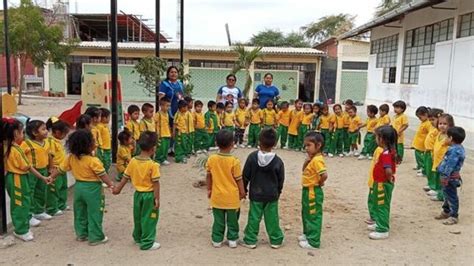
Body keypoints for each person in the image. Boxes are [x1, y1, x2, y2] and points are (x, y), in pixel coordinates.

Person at [52, 129, 115, 246]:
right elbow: (103, 175)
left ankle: (81, 234)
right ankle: (96, 236)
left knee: (80, 211)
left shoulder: (71, 157)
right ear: (88, 145)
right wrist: (111, 184)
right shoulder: (93, 161)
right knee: (95, 212)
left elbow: (60, 169)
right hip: (93, 189)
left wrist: (51, 177)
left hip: (79, 187)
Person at [3, 118, 50, 241]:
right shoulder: (13, 150)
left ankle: (25, 222)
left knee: (25, 200)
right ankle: (20, 230)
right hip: (16, 177)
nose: (23, 135)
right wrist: (42, 177)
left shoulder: (12, 147)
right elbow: (28, 167)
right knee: (20, 203)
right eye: (21, 132)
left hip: (19, 177)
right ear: (15, 134)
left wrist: (42, 177)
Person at [113, 131, 162, 250]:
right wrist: (157, 198)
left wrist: (118, 188)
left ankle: (138, 237)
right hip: (149, 195)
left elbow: (125, 176)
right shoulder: (153, 165)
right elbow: (156, 184)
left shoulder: (133, 161)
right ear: (153, 148)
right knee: (150, 218)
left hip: (137, 195)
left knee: (138, 216)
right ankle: (147, 242)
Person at [241, 128, 285, 249]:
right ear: (275, 143)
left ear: (259, 141)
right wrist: (278, 191)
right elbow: (281, 179)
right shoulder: (278, 161)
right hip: (272, 195)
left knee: (254, 217)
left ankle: (250, 240)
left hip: (256, 193)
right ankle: (276, 240)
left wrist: (243, 189)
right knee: (272, 218)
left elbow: (245, 175)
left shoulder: (252, 157)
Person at [206, 130, 246, 248]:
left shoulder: (212, 159)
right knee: (233, 220)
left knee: (218, 220)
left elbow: (209, 176)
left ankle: (217, 239)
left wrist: (209, 189)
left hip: (217, 196)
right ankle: (232, 238)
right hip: (232, 198)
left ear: (216, 143)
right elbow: (239, 179)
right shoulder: (234, 161)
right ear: (232, 144)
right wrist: (242, 192)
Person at [298, 132, 328, 249]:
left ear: (318, 145)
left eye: (308, 145)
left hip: (313, 191)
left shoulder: (318, 160)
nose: (306, 148)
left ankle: (314, 241)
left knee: (313, 215)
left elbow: (324, 175)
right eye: (305, 145)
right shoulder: (312, 158)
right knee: (306, 213)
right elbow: (304, 170)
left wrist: (320, 182)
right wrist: (307, 160)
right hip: (307, 189)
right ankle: (307, 233)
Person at [367, 125, 397, 240]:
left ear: (382, 139)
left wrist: (388, 178)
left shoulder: (385, 154)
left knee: (381, 205)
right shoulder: (389, 151)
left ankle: (382, 229)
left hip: (382, 183)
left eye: (377, 137)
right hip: (379, 182)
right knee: (378, 204)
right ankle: (379, 222)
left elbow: (388, 169)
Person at [21, 120, 53, 221]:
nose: (46, 131)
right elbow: (20, 156)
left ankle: (38, 211)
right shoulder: (27, 144)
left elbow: (49, 155)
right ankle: (29, 215)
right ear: (35, 133)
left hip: (43, 170)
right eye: (43, 129)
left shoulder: (46, 142)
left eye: (46, 129)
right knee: (30, 192)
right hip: (31, 172)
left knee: (41, 191)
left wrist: (50, 168)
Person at [434, 126, 465, 225]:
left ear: (451, 138)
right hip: (449, 177)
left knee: (451, 196)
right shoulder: (457, 148)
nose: (445, 139)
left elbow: (449, 166)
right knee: (447, 195)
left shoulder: (454, 151)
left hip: (449, 178)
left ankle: (453, 216)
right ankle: (446, 211)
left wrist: (445, 176)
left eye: (446, 137)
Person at [46, 117, 71, 215]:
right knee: (54, 188)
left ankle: (61, 204)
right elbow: (50, 155)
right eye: (64, 133)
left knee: (63, 186)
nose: (65, 136)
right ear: (57, 132)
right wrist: (51, 168)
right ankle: (52, 208)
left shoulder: (57, 141)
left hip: (62, 168)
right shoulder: (51, 141)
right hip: (56, 168)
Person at [430, 114, 455, 201]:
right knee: (437, 177)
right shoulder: (439, 134)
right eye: (440, 123)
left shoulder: (449, 137)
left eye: (445, 124)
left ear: (450, 125)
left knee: (442, 180)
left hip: (443, 162)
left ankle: (441, 195)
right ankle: (437, 190)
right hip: (437, 160)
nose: (442, 126)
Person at [423, 108, 443, 193]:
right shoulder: (433, 129)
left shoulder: (440, 132)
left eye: (433, 120)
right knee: (428, 170)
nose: (431, 122)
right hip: (428, 151)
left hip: (433, 154)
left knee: (434, 171)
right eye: (430, 120)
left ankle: (435, 187)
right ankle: (431, 184)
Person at [411, 106, 430, 177]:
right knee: (417, 156)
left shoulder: (428, 123)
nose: (419, 119)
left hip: (422, 145)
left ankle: (424, 169)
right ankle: (420, 166)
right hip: (418, 143)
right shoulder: (423, 122)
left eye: (420, 117)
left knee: (422, 158)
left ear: (425, 114)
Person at [155, 98, 172, 165]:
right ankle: (158, 159)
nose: (168, 107)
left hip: (167, 133)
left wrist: (170, 131)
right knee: (160, 148)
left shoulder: (167, 114)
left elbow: (167, 123)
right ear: (161, 106)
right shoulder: (158, 114)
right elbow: (155, 123)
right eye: (167, 106)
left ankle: (164, 159)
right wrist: (156, 133)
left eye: (169, 106)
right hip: (161, 134)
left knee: (166, 147)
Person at [98, 108, 112, 173]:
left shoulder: (105, 126)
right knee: (104, 162)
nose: (109, 119)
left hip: (108, 147)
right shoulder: (99, 126)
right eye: (109, 117)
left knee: (108, 161)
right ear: (104, 118)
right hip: (103, 148)